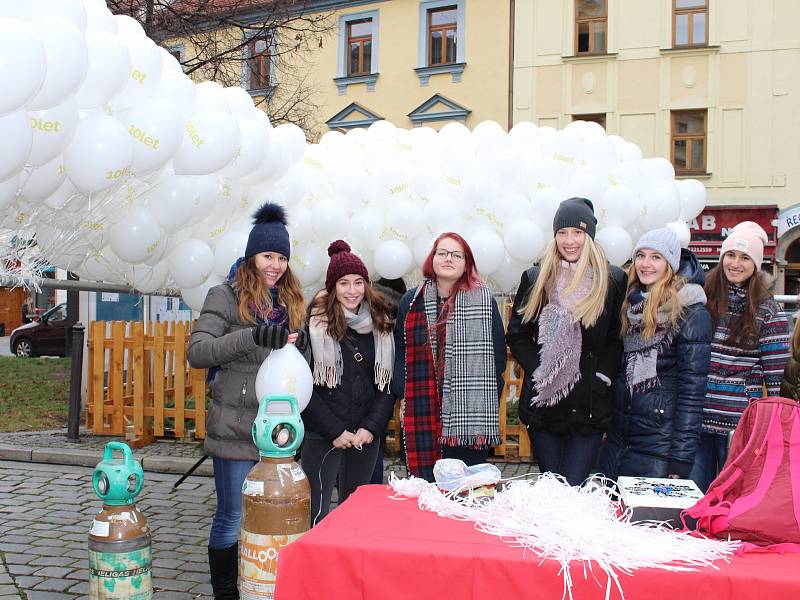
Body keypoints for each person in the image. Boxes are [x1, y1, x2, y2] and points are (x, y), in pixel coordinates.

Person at [187, 203, 306, 600]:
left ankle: (266, 586)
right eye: (268, 256)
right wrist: (253, 337)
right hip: (236, 429)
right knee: (233, 516)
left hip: (279, 433)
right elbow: (199, 352)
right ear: (252, 254)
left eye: (282, 258)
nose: (275, 265)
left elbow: (291, 367)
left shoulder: (289, 301)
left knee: (273, 515)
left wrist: (298, 347)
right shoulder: (224, 294)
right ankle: (226, 594)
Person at [506, 197, 625, 487]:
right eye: (562, 232)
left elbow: (616, 337)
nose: (569, 240)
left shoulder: (612, 279)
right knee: (552, 487)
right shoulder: (537, 277)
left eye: (577, 232)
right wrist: (541, 369)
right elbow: (517, 334)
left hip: (589, 405)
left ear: (590, 236)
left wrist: (602, 376)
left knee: (573, 487)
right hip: (545, 403)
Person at [392, 232, 506, 482]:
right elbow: (399, 353)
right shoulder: (411, 302)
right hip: (423, 409)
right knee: (425, 491)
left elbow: (498, 357)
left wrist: (481, 400)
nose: (448, 259)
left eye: (457, 255)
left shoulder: (484, 301)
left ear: (467, 263)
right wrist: (403, 393)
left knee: (465, 491)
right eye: (442, 253)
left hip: (469, 414)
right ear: (432, 258)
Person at [599, 228, 711, 480]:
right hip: (621, 437)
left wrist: (681, 458)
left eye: (656, 257)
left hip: (660, 442)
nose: (645, 264)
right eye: (641, 255)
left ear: (670, 264)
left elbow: (692, 393)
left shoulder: (691, 313)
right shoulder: (632, 305)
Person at [690, 221, 790, 492]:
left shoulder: (769, 311)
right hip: (697, 417)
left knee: (729, 496)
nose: (736, 263)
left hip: (739, 425)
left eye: (745, 257)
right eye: (730, 255)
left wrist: (772, 427)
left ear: (756, 265)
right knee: (695, 495)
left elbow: (777, 377)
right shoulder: (703, 299)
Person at [301, 240, 395, 523]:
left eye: (358, 282)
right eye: (344, 283)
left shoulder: (382, 323)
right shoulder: (315, 324)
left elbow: (387, 385)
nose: (352, 291)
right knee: (314, 512)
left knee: (354, 515)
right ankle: (313, 567)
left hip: (364, 437)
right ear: (332, 288)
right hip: (323, 434)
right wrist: (335, 430)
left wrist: (371, 426)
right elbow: (306, 385)